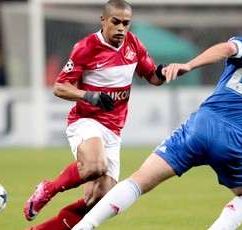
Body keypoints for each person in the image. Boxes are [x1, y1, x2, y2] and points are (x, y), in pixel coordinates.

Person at [72, 9, 242, 230]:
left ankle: (84, 226)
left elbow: (228, 48)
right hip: (236, 141)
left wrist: (189, 65)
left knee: (140, 180)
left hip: (201, 125)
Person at [24, 0, 166, 229]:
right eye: (116, 22)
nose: (121, 28)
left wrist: (162, 73)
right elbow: (59, 87)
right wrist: (89, 96)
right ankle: (47, 189)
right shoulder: (87, 47)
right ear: (103, 21)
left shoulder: (134, 45)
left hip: (114, 129)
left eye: (126, 23)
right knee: (95, 165)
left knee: (98, 201)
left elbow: (152, 77)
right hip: (86, 120)